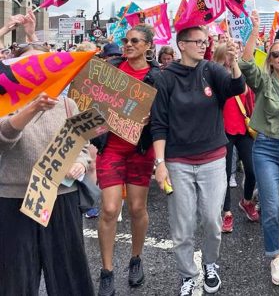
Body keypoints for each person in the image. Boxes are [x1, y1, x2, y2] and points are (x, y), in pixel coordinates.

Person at [150, 27, 246, 296]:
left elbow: (237, 87)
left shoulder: (210, 70)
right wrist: (160, 163)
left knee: (212, 221)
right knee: (182, 226)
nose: (204, 45)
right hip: (178, 161)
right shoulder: (165, 78)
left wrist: (233, 60)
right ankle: (187, 275)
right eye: (198, 41)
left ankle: (210, 263)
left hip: (214, 159)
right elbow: (159, 124)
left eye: (206, 41)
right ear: (182, 44)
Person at [0, 46, 93, 296]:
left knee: (68, 273)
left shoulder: (67, 103)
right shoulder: (6, 101)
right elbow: (3, 139)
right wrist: (32, 108)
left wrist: (81, 163)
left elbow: (82, 146)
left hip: (61, 195)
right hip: (15, 198)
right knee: (16, 276)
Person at [95, 24, 161, 296]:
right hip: (111, 147)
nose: (128, 44)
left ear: (148, 46)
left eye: (135, 41)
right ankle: (107, 271)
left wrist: (151, 119)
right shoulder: (110, 69)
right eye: (126, 40)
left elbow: (164, 115)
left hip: (140, 149)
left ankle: (136, 259)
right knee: (110, 209)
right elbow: (91, 98)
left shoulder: (157, 76)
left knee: (136, 208)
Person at [239, 11, 279, 286]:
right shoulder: (264, 81)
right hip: (266, 147)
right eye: (274, 54)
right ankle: (274, 256)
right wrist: (254, 30)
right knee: (272, 205)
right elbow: (244, 62)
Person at [211, 44, 258, 232]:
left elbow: (250, 100)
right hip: (222, 131)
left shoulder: (240, 76)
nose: (230, 61)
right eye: (227, 59)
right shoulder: (213, 78)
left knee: (253, 170)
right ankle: (227, 213)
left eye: (232, 58)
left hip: (243, 129)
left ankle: (246, 201)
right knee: (224, 174)